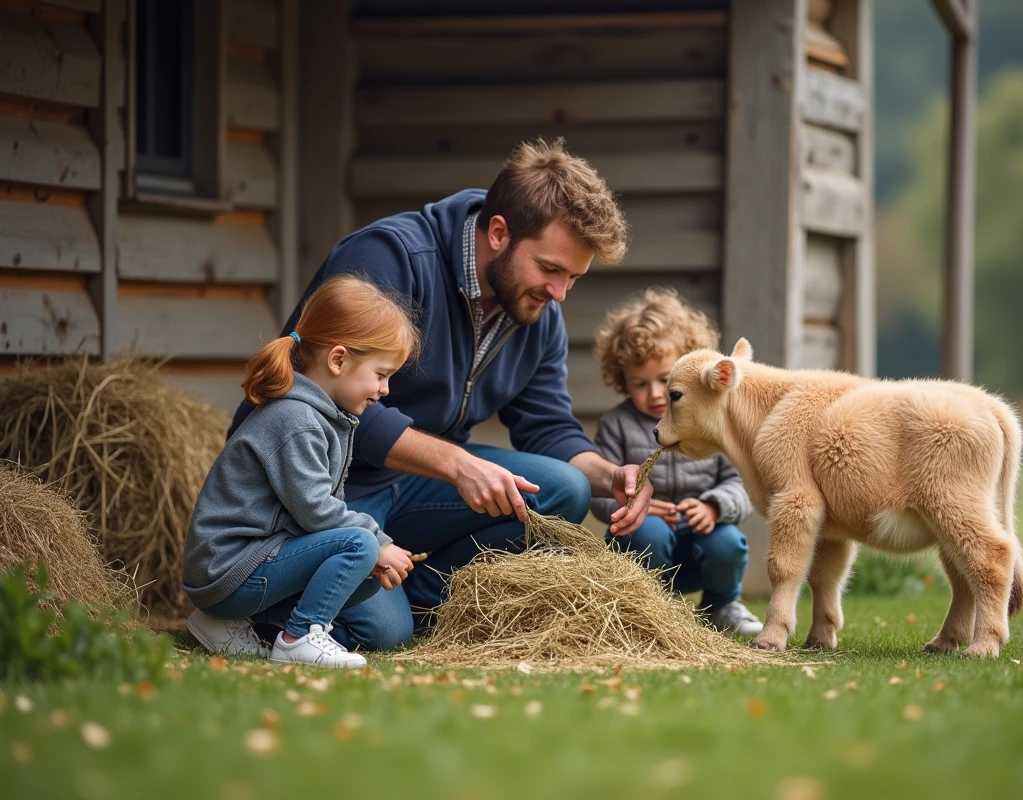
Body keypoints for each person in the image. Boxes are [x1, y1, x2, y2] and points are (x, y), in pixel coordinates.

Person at [228, 138, 656, 641]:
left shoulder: (537, 311)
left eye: (573, 278)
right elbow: (321, 399)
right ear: (499, 232)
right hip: (325, 481)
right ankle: (260, 604)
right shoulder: (390, 257)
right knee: (383, 634)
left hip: (411, 484)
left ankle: (419, 603)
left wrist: (612, 476)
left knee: (568, 488)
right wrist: (457, 464)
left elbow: (547, 425)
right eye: (550, 269)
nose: (559, 293)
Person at [183, 276, 421, 666]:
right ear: (339, 360)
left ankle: (220, 622)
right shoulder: (297, 420)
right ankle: (299, 638)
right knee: (359, 546)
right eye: (381, 374)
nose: (385, 390)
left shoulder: (325, 416)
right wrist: (378, 540)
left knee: (363, 574)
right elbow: (315, 511)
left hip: (247, 565)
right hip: (228, 568)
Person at [591, 288, 764, 636]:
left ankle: (722, 605)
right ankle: (648, 611)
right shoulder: (617, 425)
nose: (655, 393)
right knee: (648, 532)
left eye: (665, 380)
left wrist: (715, 507)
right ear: (621, 377)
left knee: (727, 541)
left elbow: (744, 483)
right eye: (639, 383)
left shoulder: (714, 419)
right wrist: (630, 508)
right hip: (644, 541)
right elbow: (598, 494)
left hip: (702, 537)